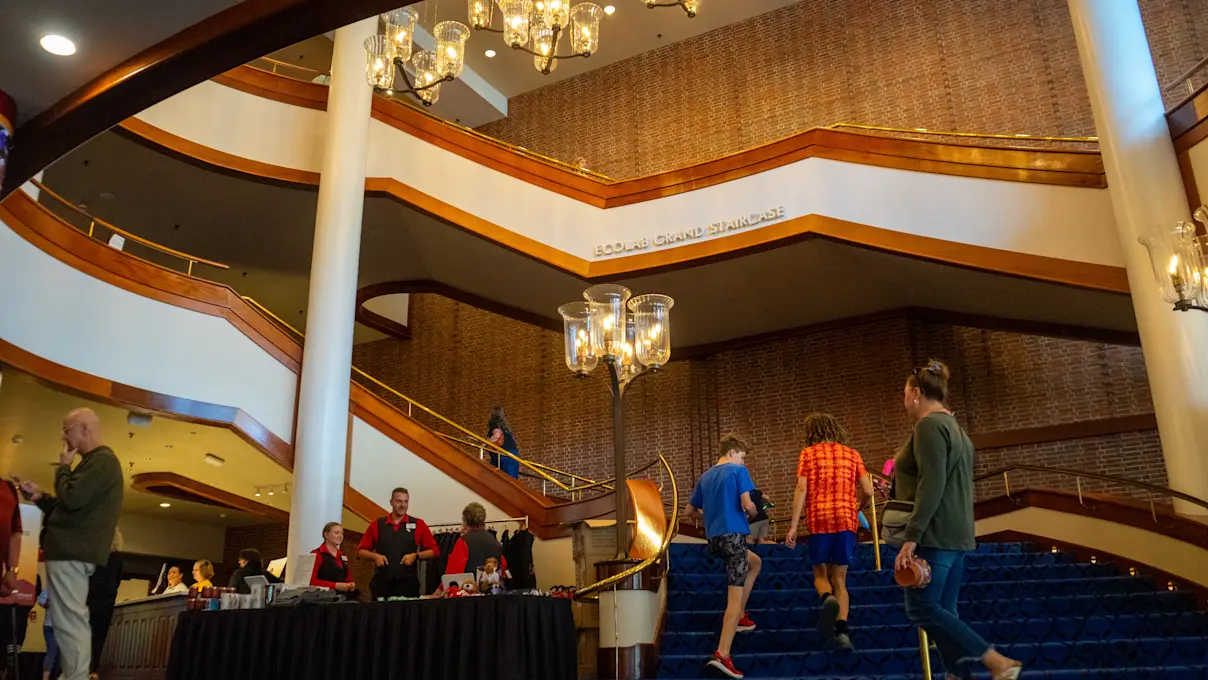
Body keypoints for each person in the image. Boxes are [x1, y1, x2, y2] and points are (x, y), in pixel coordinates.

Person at [893, 360, 1022, 680]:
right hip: (957, 531)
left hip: (934, 533)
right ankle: (957, 675)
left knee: (921, 608)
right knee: (945, 612)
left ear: (916, 393)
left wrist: (912, 535)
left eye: (905, 393)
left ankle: (997, 661)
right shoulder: (956, 429)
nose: (903, 399)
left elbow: (932, 482)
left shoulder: (927, 426)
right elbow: (941, 479)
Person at [16, 408, 122, 680]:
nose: (63, 435)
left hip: (73, 552)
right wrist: (40, 497)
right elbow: (70, 507)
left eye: (66, 429)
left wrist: (63, 467)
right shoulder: (96, 463)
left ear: (84, 428)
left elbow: (72, 498)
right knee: (69, 624)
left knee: (70, 625)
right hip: (72, 551)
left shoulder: (102, 461)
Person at [785, 413, 874, 652]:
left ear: (810, 433)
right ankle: (842, 632)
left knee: (820, 573)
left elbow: (801, 488)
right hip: (846, 519)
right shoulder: (852, 454)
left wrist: (793, 526)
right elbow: (868, 489)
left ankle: (827, 599)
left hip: (819, 519)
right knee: (840, 579)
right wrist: (857, 506)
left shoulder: (808, 454)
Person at [684, 435, 762, 680]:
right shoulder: (738, 471)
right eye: (742, 456)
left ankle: (740, 614)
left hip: (715, 539)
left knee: (755, 562)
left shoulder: (705, 477)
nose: (742, 460)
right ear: (732, 453)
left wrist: (708, 518)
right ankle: (722, 653)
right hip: (734, 537)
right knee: (733, 596)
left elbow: (689, 512)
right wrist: (754, 512)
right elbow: (748, 504)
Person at [357, 487, 439, 599]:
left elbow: (434, 551)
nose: (403, 505)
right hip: (382, 585)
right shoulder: (377, 525)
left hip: (408, 585)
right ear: (391, 502)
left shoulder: (419, 524)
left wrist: (416, 556)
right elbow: (361, 552)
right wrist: (375, 556)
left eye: (406, 501)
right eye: (398, 501)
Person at [88, 528, 123, 678]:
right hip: (106, 602)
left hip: (88, 600)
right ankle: (93, 670)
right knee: (98, 638)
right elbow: (117, 580)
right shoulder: (117, 559)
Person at [445, 503, 506, 577]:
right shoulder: (495, 542)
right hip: (492, 586)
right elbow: (503, 566)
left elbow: (452, 574)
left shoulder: (463, 541)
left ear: (465, 521)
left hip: (469, 586)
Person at [309, 522, 357, 598]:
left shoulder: (342, 556)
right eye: (336, 533)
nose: (340, 536)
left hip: (341, 598)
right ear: (326, 535)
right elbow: (311, 581)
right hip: (321, 599)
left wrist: (350, 585)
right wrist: (335, 586)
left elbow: (348, 578)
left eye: (342, 534)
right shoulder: (317, 554)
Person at [486, 407, 521, 479]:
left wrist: (486, 442)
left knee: (503, 480)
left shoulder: (494, 424)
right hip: (514, 454)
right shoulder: (506, 428)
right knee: (513, 482)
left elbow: (497, 435)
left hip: (503, 455)